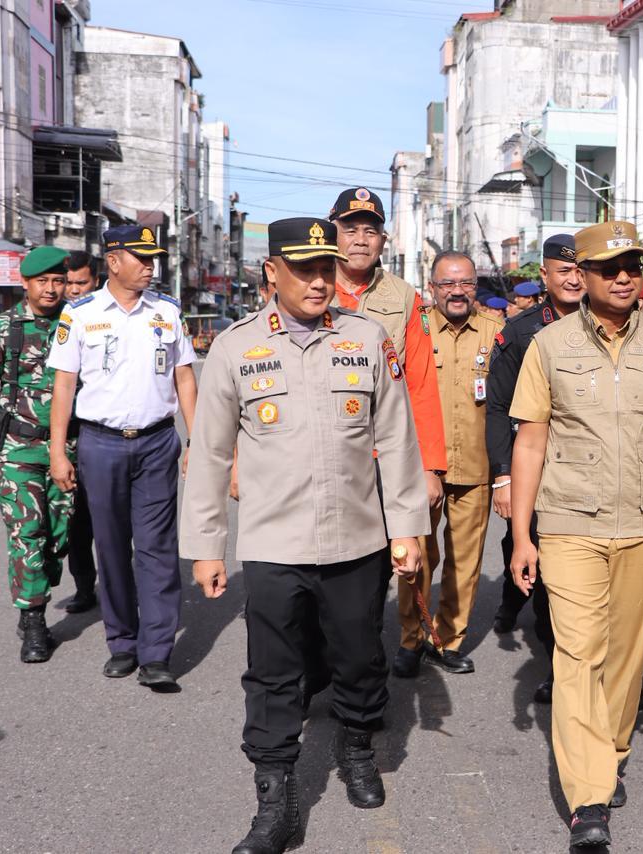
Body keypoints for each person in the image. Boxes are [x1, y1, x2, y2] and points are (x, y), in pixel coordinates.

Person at [181, 218, 428, 852]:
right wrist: (207, 544)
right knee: (272, 673)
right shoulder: (236, 348)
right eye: (304, 270)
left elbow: (397, 439)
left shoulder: (368, 338)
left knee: (359, 657)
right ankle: (275, 800)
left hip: (357, 538)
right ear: (273, 273)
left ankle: (355, 746)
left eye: (326, 269)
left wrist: (407, 529)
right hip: (274, 545)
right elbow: (209, 454)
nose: (320, 281)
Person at [508, 220, 643, 848]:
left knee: (625, 658)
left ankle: (611, 749)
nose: (624, 277)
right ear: (582, 275)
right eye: (610, 267)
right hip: (570, 525)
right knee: (578, 655)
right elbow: (530, 442)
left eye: (633, 266)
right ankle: (588, 798)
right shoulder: (549, 346)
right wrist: (521, 536)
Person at [46, 225, 197, 691]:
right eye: (142, 257)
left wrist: (199, 442)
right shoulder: (81, 313)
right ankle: (123, 643)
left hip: (156, 443)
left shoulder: (167, 312)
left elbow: (185, 379)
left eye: (154, 258)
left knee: (157, 549)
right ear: (114, 261)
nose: (151, 265)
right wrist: (57, 451)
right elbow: (64, 385)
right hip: (101, 444)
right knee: (110, 548)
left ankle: (156, 653)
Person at [0, 246, 74, 662]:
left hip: (67, 448)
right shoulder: (3, 327)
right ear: (25, 283)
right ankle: (34, 621)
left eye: (57, 281)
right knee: (26, 533)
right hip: (18, 448)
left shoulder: (76, 323)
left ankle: (39, 588)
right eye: (42, 281)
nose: (50, 289)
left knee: (57, 536)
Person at [394, 251, 503, 678]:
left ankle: (448, 640)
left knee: (465, 561)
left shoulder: (496, 333)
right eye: (447, 284)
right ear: (432, 286)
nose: (457, 292)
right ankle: (411, 638)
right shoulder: (413, 329)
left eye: (466, 283)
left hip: (476, 468)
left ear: (475, 287)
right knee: (416, 555)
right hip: (421, 467)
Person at [486, 233, 583, 704]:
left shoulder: (613, 326)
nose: (573, 278)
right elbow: (498, 408)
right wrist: (504, 475)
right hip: (540, 475)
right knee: (549, 578)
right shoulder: (521, 333)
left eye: (581, 269)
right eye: (563, 270)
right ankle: (559, 666)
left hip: (599, 474)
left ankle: (616, 674)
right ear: (544, 276)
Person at [329, 187, 445, 508]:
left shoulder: (403, 296)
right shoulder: (311, 288)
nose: (361, 240)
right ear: (331, 233)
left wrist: (430, 465)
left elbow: (420, 383)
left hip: (386, 454)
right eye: (350, 230)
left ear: (383, 240)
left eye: (371, 231)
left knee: (388, 554)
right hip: (320, 451)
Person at [60, 249, 101, 613]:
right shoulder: (47, 322)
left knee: (103, 519)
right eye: (67, 283)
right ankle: (84, 586)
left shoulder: (98, 319)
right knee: (73, 524)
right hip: (57, 439)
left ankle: (122, 584)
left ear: (96, 281)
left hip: (93, 435)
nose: (72, 289)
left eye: (79, 282)